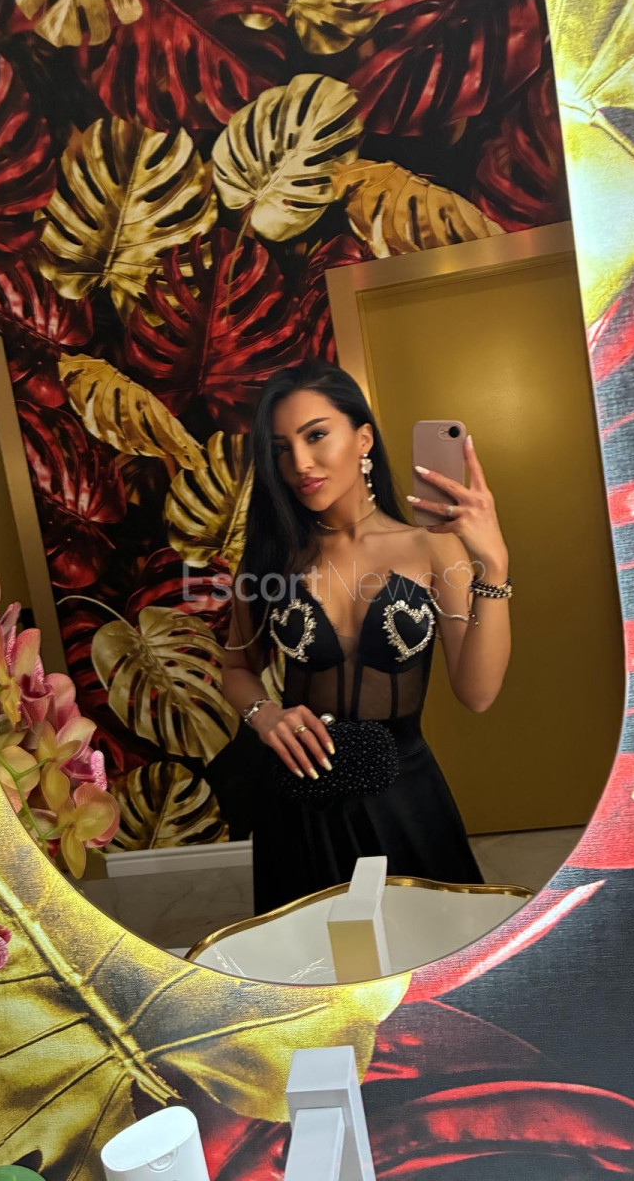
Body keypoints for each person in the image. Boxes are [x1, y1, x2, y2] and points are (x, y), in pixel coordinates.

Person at [221, 361, 512, 914]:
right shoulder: (271, 557)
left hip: (405, 796)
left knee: (429, 948)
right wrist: (265, 714)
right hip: (298, 797)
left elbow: (477, 693)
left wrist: (493, 567)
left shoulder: (433, 548)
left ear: (363, 439)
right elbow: (236, 669)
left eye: (316, 435)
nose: (299, 463)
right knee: (311, 956)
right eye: (281, 448)